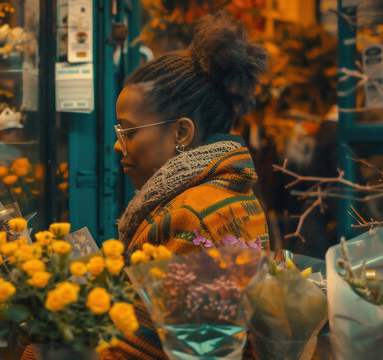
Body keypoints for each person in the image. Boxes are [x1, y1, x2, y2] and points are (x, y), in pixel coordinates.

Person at [104, 12, 269, 360]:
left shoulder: (188, 214)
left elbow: (142, 350)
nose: (118, 146)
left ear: (181, 133)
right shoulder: (231, 191)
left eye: (128, 131)